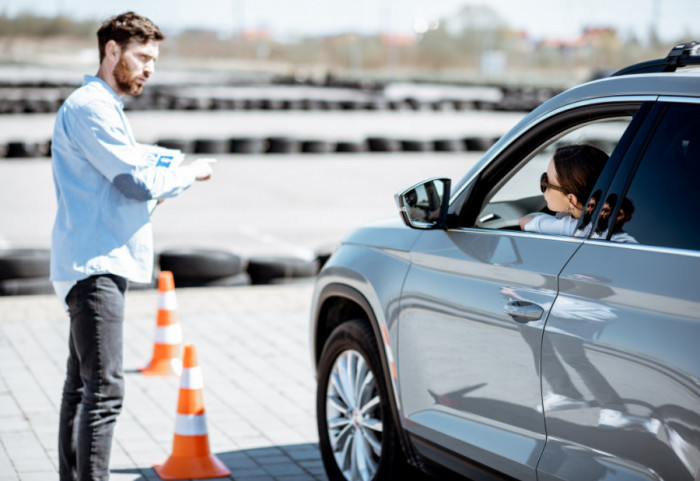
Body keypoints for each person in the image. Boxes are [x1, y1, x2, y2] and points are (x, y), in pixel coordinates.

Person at [50, 12, 215, 481]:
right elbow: (134, 181)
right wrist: (190, 173)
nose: (149, 68)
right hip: (94, 266)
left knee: (81, 389)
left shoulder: (104, 109)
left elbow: (124, 180)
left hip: (95, 260)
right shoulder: (91, 108)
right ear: (111, 51)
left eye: (154, 60)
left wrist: (158, 176)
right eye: (142, 57)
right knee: (104, 391)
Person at [518, 144, 608, 236]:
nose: (543, 188)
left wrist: (557, 222)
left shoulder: (575, 229)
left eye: (546, 182)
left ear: (571, 200)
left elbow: (525, 222)